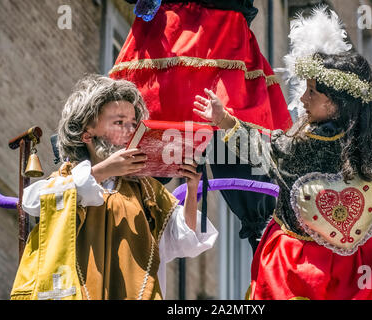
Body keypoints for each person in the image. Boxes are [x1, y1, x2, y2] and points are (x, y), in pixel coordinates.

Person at [193, 51, 372, 300]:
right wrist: (223, 119)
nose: (302, 98)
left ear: (338, 100)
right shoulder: (296, 143)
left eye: (312, 92)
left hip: (369, 262)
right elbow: (259, 146)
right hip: (303, 262)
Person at [10, 75, 218, 300]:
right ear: (87, 134)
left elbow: (184, 240)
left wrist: (191, 185)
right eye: (119, 123)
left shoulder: (147, 191)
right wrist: (103, 171)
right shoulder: (67, 179)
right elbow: (32, 203)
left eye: (133, 124)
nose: (129, 131)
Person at [110, 0, 293, 252]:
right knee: (133, 174)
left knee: (247, 160)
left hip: (223, 43)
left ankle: (270, 271)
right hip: (171, 45)